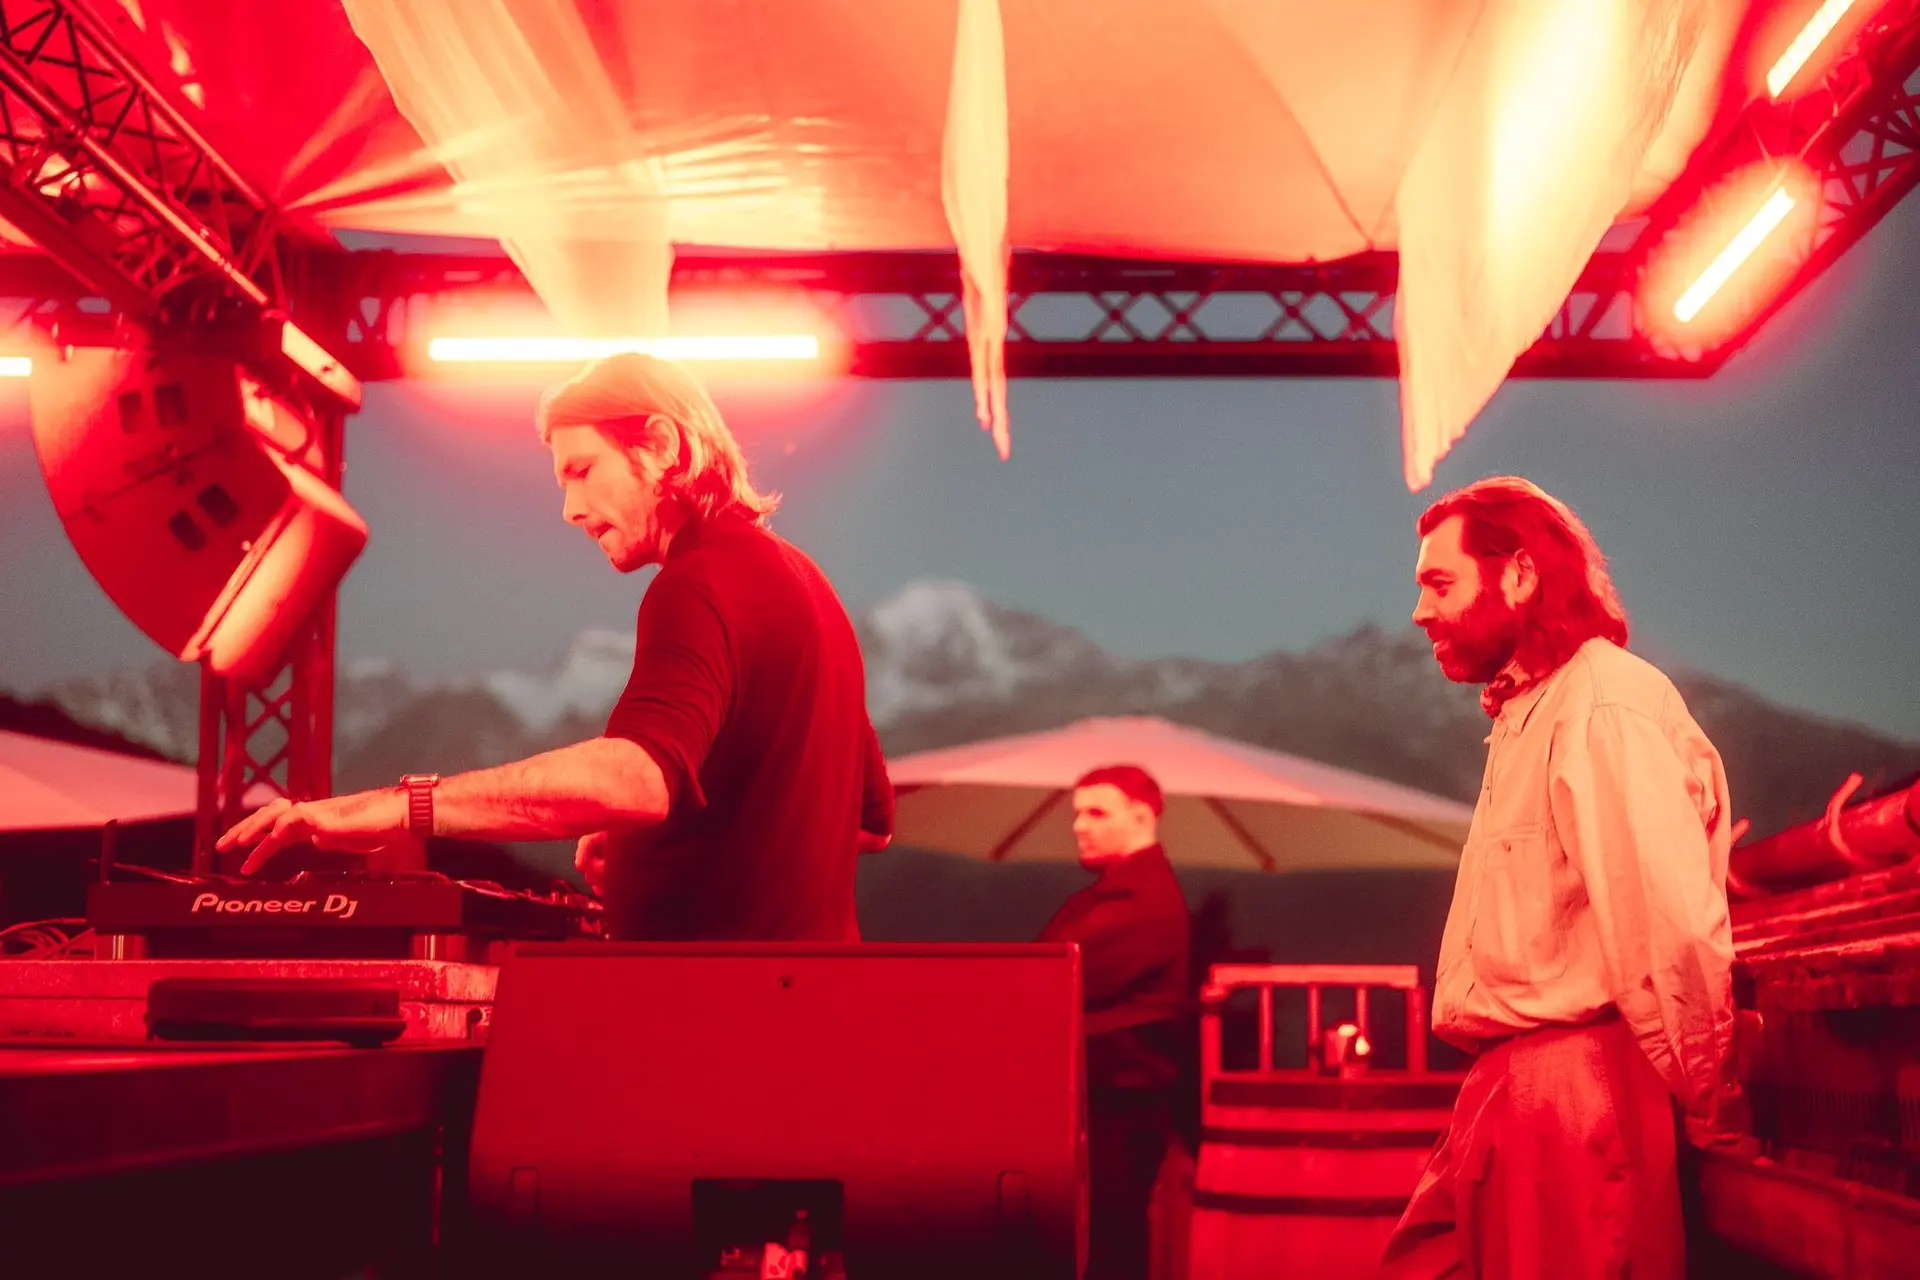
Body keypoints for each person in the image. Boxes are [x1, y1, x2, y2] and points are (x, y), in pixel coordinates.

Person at [217, 353, 894, 941]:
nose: (570, 508)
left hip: (716, 1015)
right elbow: (868, 822)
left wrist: (400, 807)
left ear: (661, 444)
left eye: (582, 469)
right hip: (815, 1007)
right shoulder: (808, 585)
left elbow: (636, 778)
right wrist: (655, 843)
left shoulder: (697, 584)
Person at [1378, 476, 1743, 1279]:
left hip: (1577, 1089)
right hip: (1514, 1085)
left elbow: (1666, 926)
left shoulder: (1602, 705)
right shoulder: (1535, 709)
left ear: (1518, 574)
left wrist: (1711, 1109)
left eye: (1440, 584)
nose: (1419, 612)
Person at [1038, 764, 1190, 1280]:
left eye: (1097, 812)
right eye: (1077, 813)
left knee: (1110, 1246)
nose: (1079, 826)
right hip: (1104, 1106)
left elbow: (1050, 980)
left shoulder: (1138, 902)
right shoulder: (1114, 896)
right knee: (1105, 1242)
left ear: (1142, 816)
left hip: (1117, 1110)